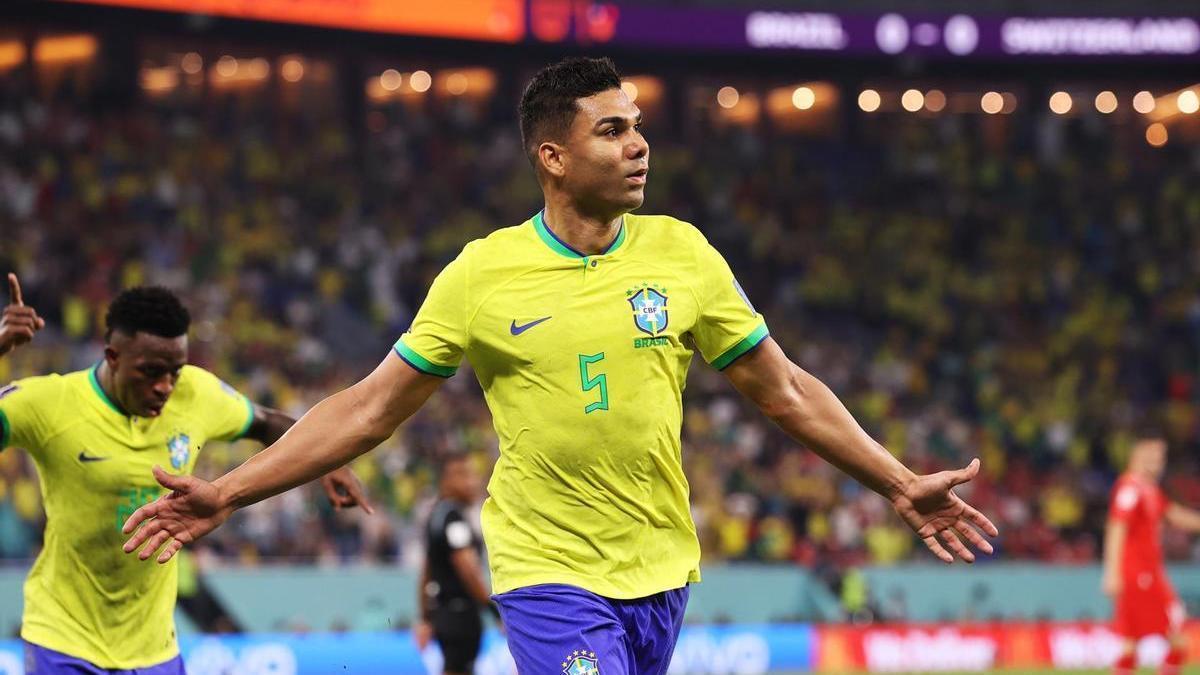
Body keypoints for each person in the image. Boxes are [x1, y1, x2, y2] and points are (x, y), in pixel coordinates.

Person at [121, 57, 997, 675]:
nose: (638, 145)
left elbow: (787, 390)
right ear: (552, 156)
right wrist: (229, 491)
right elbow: (369, 408)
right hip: (546, 569)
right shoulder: (481, 273)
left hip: (661, 568)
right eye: (611, 131)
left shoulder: (684, 255)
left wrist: (892, 480)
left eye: (638, 127)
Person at [0, 276, 371, 673]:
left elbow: (266, 422)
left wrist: (327, 460)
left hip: (154, 647)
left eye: (175, 371)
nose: (165, 386)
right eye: (151, 372)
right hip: (62, 638)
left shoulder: (197, 392)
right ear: (112, 356)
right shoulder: (50, 404)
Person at [1103, 434, 1200, 675]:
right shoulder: (1129, 488)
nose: (1159, 461)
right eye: (1154, 455)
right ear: (1138, 455)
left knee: (1132, 642)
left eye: (1162, 457)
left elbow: (1174, 514)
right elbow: (1116, 528)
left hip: (1150, 573)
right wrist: (1112, 573)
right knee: (1176, 638)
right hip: (1139, 575)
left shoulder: (1149, 489)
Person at [414, 454, 496, 675]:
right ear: (446, 480)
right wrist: (493, 608)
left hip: (443, 613)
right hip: (459, 614)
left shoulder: (436, 515)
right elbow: (465, 565)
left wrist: (425, 617)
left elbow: (426, 571)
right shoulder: (453, 518)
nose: (473, 481)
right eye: (464, 475)